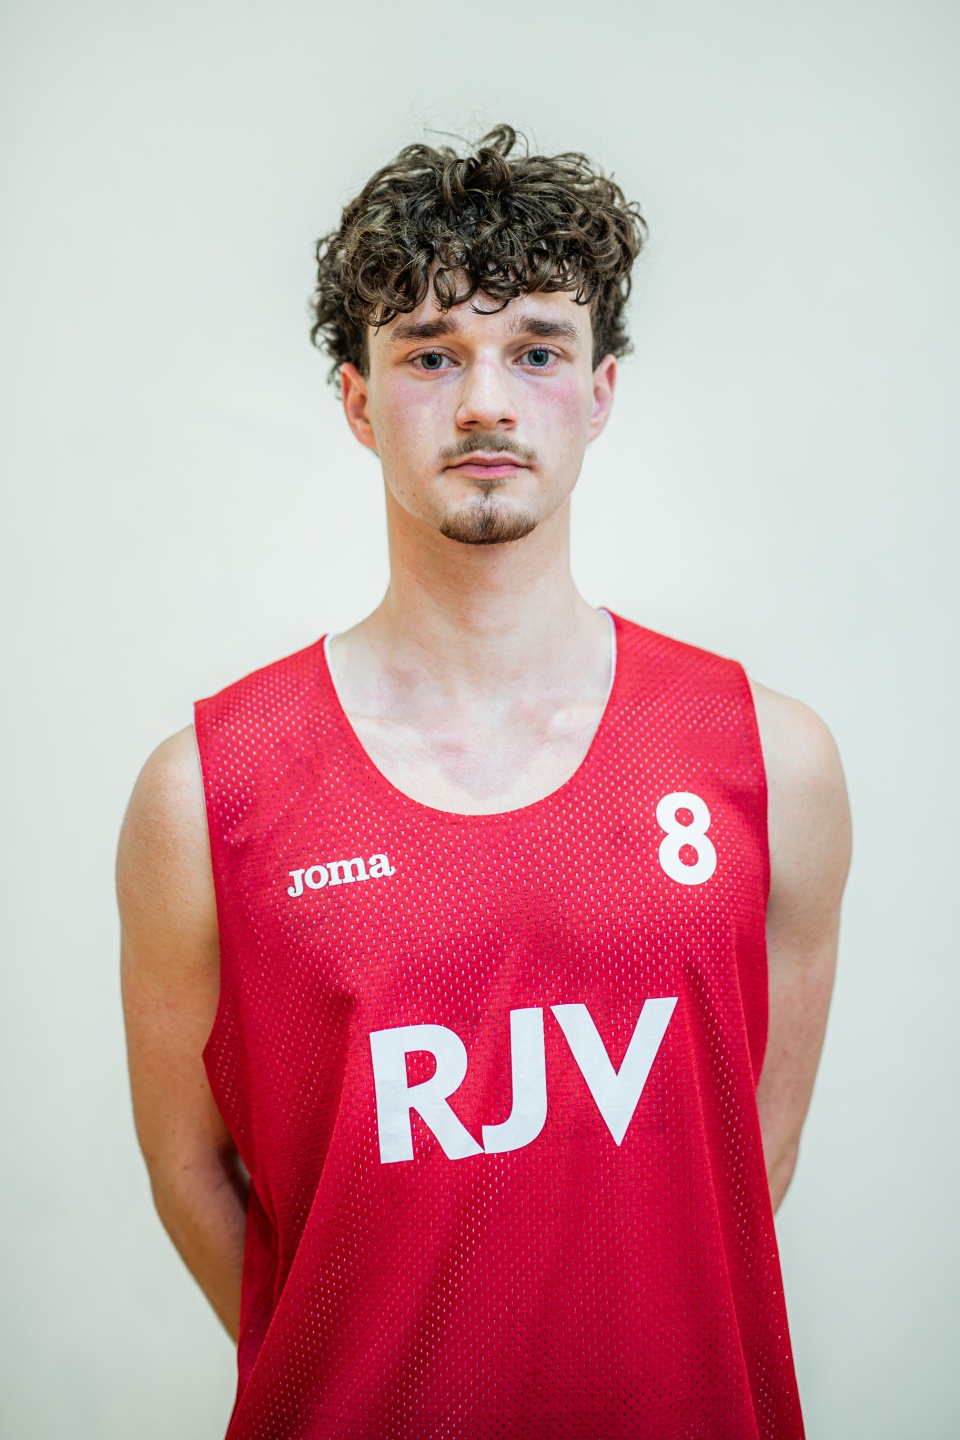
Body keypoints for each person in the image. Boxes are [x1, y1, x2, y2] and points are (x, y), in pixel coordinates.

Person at [118, 125, 851, 1439]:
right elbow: (190, 1172)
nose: (485, 404)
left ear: (601, 391)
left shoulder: (770, 760)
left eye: (536, 350)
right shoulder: (204, 795)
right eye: (431, 353)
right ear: (358, 401)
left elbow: (750, 1159)